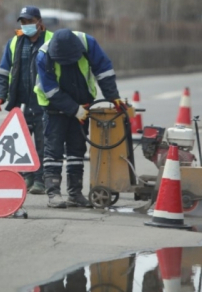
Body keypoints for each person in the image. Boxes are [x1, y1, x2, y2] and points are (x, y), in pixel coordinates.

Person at [34, 28, 125, 208]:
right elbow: (51, 90)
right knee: (54, 150)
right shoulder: (43, 55)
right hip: (54, 108)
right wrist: (75, 110)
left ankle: (75, 194)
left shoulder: (88, 43)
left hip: (82, 104)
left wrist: (112, 95)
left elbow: (103, 70)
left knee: (77, 149)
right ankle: (53, 193)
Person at [0, 6, 53, 194]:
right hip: (20, 103)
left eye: (30, 21)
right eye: (23, 22)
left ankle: (40, 180)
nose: (26, 25)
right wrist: (0, 94)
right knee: (20, 144)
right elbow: (3, 71)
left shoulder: (52, 40)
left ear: (39, 22)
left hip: (44, 103)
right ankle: (26, 176)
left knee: (43, 144)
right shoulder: (14, 43)